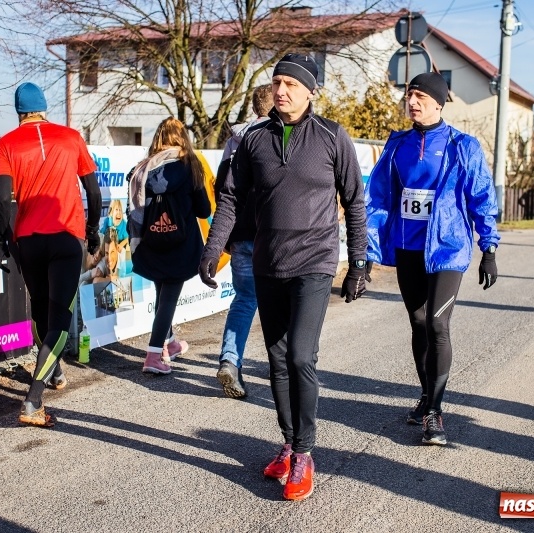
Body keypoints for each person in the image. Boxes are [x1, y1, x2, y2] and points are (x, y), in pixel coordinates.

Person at [198, 53, 368, 501]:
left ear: (311, 91)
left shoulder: (332, 136)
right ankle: (289, 445)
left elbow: (354, 201)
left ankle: (306, 454)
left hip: (315, 262)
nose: (282, 90)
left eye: (292, 83)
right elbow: (230, 200)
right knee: (275, 359)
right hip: (268, 263)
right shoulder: (253, 139)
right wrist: (212, 249)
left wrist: (359, 263)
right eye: (276, 82)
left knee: (299, 356)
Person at [365, 72, 500, 446]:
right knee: (419, 321)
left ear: (439, 103)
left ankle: (435, 413)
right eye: (410, 95)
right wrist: (367, 254)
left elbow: (482, 197)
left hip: (447, 248)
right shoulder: (398, 144)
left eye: (421, 97)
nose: (413, 102)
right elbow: (377, 200)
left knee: (438, 326)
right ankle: (426, 395)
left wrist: (488, 247)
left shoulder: (463, 146)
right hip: (409, 248)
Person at [0, 82, 102, 428]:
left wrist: (1, 240)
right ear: (44, 108)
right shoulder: (70, 137)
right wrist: (94, 230)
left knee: (40, 311)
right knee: (59, 322)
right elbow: (93, 191)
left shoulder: (5, 144)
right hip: (67, 237)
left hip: (29, 240)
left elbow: (1, 198)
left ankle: (52, 369)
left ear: (19, 111)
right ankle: (33, 402)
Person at [127, 117, 211, 374]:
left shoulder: (141, 170)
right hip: (181, 246)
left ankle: (171, 343)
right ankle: (153, 355)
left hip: (150, 243)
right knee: (168, 299)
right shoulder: (190, 165)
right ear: (182, 138)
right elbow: (203, 209)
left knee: (162, 295)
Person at [213, 84, 273, 399]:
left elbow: (221, 190)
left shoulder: (233, 141)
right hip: (274, 235)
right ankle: (288, 368)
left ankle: (229, 360)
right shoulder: (280, 137)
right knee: (286, 300)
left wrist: (224, 235)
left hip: (240, 235)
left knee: (245, 300)